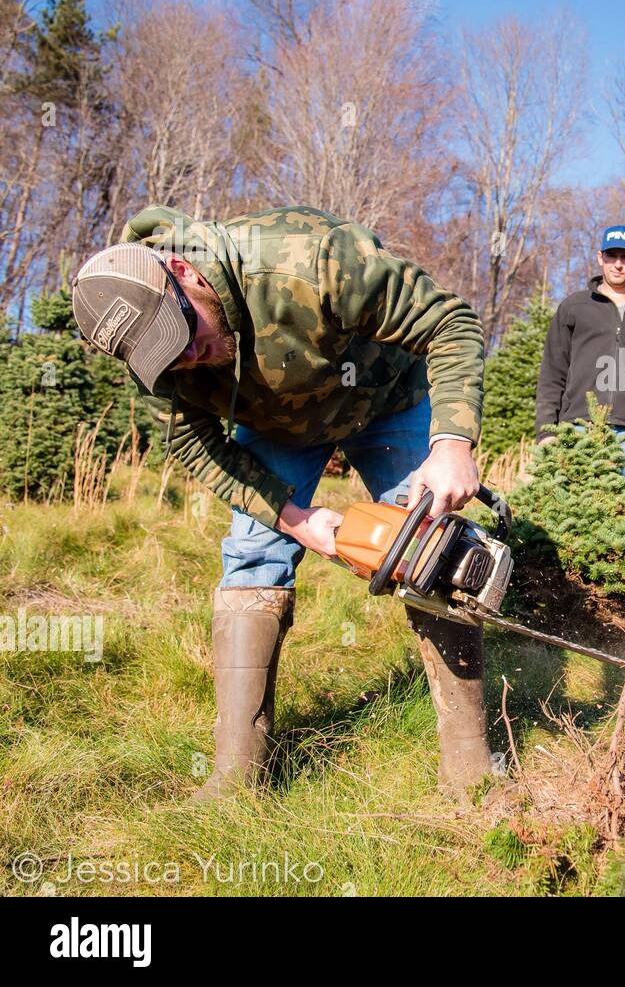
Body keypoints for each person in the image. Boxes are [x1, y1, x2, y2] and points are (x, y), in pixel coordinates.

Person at [71, 204, 490, 803]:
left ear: (183, 271)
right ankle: (237, 778)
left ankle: (470, 770)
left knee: (430, 553)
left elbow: (449, 322)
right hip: (277, 428)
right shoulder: (155, 346)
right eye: (168, 355)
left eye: (185, 334)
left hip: (387, 399)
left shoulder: (307, 258)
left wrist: (452, 444)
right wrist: (296, 521)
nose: (186, 358)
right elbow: (195, 443)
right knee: (251, 558)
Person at [535, 225, 625, 485]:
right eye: (611, 255)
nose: (618, 264)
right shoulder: (574, 307)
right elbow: (552, 373)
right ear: (599, 257)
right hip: (577, 429)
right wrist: (547, 430)